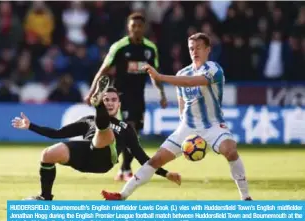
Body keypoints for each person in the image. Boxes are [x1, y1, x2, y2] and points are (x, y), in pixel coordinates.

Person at [101, 33, 252, 201]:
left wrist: (160, 77)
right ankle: (122, 195)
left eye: (199, 48)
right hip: (187, 127)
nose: (194, 51)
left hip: (213, 125)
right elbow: (182, 102)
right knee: (156, 159)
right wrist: (184, 130)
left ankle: (245, 197)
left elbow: (191, 82)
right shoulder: (183, 72)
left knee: (230, 151)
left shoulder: (214, 69)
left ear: (208, 50)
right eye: (191, 48)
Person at [12, 75, 180, 200]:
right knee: (48, 154)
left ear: (119, 104)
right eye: (105, 100)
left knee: (104, 131)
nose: (110, 103)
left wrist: (165, 174)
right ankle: (45, 198)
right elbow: (57, 133)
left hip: (104, 159)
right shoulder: (88, 121)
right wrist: (30, 126)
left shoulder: (126, 128)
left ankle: (96, 103)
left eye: (113, 100)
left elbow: (142, 158)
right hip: (85, 156)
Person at [85, 12, 168, 181]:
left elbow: (155, 75)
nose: (136, 29)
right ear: (128, 27)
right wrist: (92, 91)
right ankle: (125, 169)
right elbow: (103, 70)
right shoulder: (119, 47)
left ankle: (124, 169)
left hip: (139, 96)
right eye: (133, 26)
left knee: (134, 133)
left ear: (144, 28)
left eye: (139, 26)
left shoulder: (150, 49)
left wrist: (162, 94)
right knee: (128, 129)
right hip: (120, 96)